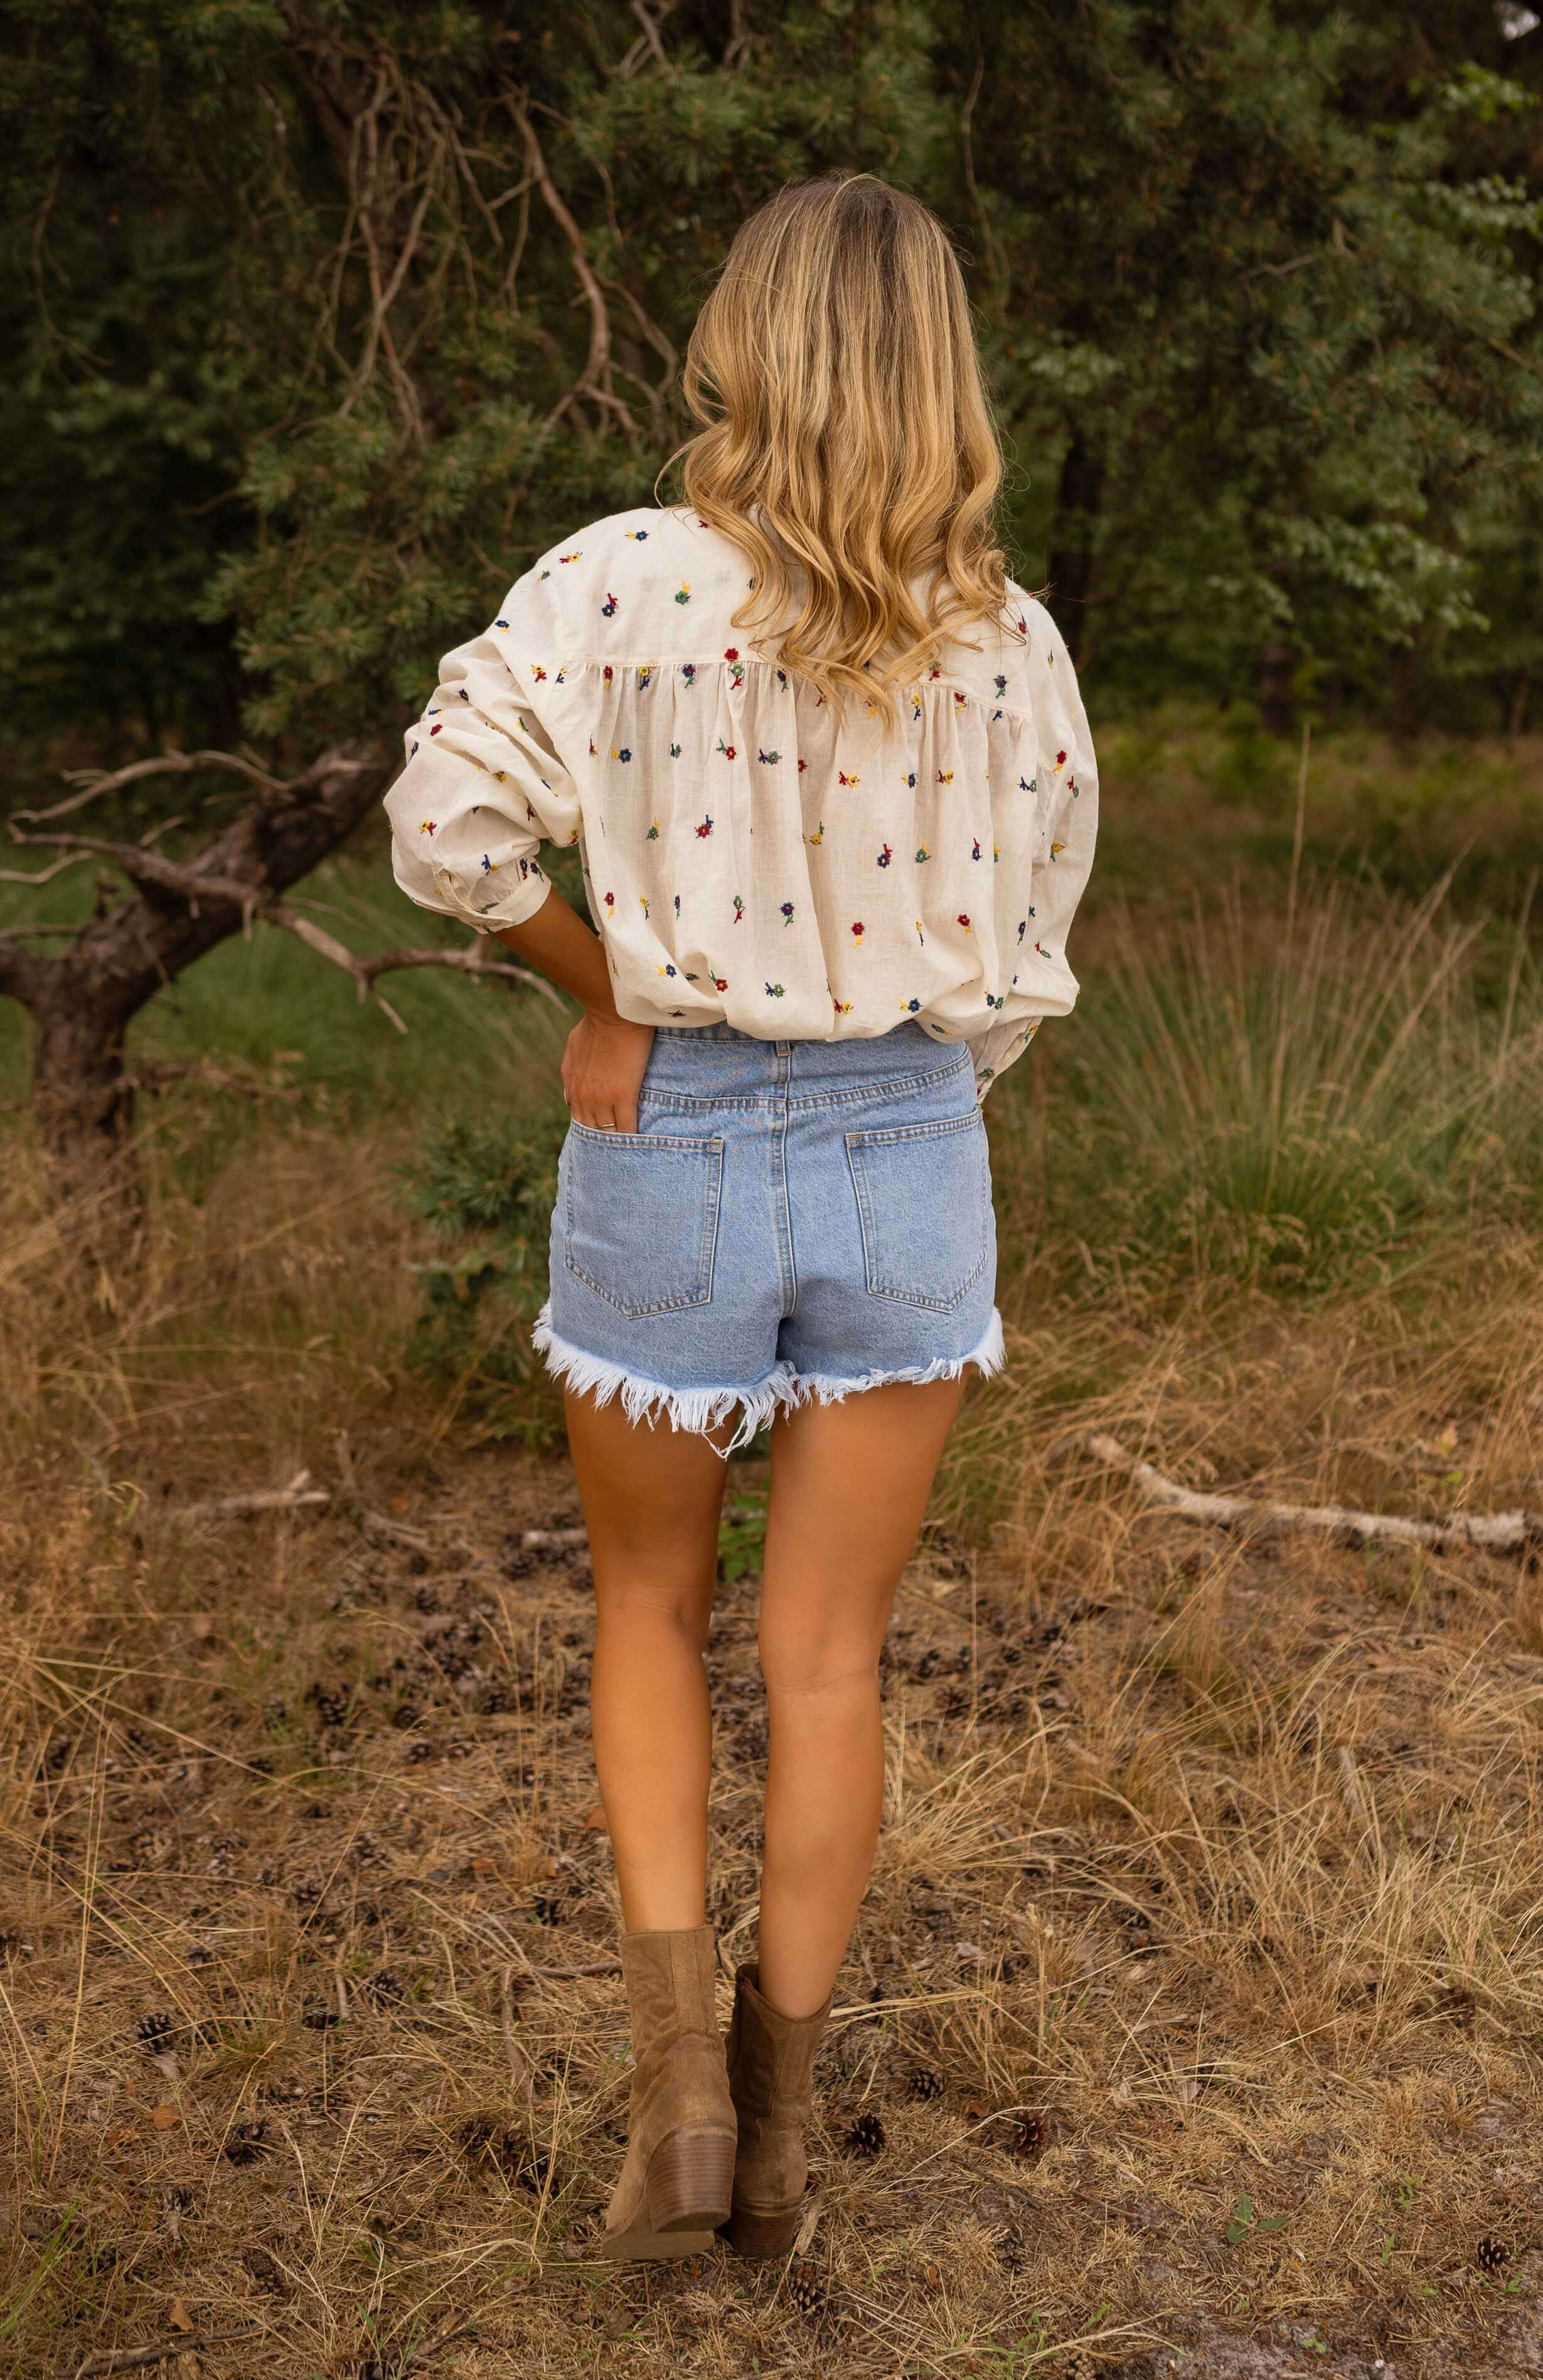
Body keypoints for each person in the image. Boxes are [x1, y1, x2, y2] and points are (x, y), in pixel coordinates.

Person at [382, 170, 1097, 2261]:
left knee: (644, 1608)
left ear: (739, 342)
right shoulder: (1006, 638)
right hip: (907, 1147)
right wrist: (901, 1100)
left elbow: (443, 825)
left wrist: (609, 993)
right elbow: (1027, 947)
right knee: (830, 1659)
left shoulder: (613, 580)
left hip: (667, 1132)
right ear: (942, 371)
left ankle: (674, 2106)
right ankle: (776, 2142)